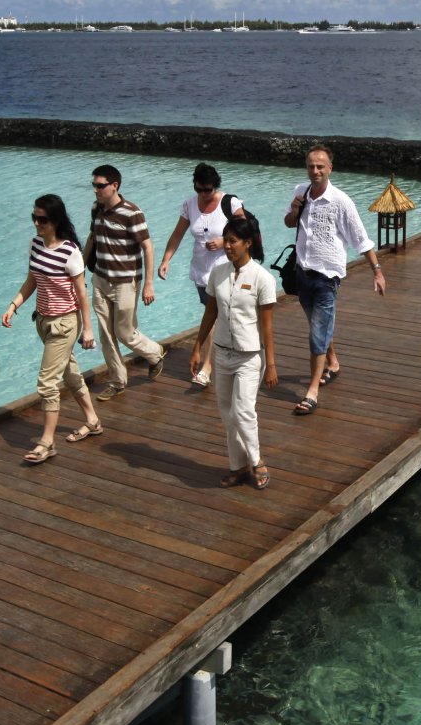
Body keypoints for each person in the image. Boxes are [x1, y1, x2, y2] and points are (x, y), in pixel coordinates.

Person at [282, 144, 385, 416]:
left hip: (328, 277)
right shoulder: (299, 191)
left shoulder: (341, 201)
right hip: (302, 273)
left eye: (320, 167)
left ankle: (312, 392)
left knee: (317, 333)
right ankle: (334, 362)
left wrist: (376, 269)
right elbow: (289, 223)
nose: (315, 171)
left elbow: (360, 238)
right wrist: (294, 210)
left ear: (330, 169)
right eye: (311, 166)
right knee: (318, 325)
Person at [1, 194, 103, 464]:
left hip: (65, 324)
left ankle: (46, 443)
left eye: (42, 219)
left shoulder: (71, 253)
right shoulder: (35, 244)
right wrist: (14, 305)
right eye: (34, 218)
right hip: (43, 322)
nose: (37, 223)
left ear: (56, 220)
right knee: (69, 372)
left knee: (47, 383)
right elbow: (31, 280)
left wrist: (88, 331)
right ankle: (92, 421)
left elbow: (82, 294)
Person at [190, 218, 278, 489]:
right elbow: (210, 312)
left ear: (247, 243)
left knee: (243, 412)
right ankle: (238, 467)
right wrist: (197, 346)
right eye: (225, 241)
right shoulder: (218, 272)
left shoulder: (263, 278)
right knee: (227, 414)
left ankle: (257, 461)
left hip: (249, 356)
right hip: (221, 354)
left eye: (232, 241)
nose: (227, 246)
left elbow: (267, 326)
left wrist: (271, 365)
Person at [158, 163, 247, 388]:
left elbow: (247, 233)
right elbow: (177, 235)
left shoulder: (230, 203)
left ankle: (207, 368)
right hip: (201, 271)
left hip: (226, 269)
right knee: (217, 316)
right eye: (199, 189)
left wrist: (224, 241)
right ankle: (230, 356)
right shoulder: (189, 205)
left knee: (214, 316)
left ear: (215, 186)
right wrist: (166, 260)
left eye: (207, 190)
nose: (203, 194)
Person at [85, 163, 167, 401]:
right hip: (100, 278)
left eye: (100, 186)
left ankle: (155, 353)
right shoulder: (96, 209)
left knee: (124, 332)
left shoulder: (132, 212)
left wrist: (149, 284)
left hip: (126, 282)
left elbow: (147, 247)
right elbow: (92, 236)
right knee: (105, 335)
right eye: (94, 185)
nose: (95, 190)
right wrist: (79, 267)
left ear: (114, 186)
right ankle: (117, 381)